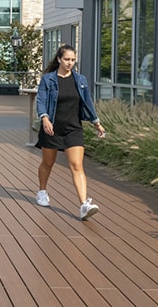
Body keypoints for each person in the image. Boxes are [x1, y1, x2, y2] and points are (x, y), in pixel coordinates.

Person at [35, 44, 106, 220]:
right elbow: (41, 100)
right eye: (66, 59)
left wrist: (96, 123)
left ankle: (83, 205)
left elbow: (87, 102)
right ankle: (42, 191)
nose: (70, 63)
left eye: (73, 60)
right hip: (52, 128)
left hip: (73, 128)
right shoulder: (48, 79)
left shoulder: (80, 80)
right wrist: (44, 118)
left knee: (77, 165)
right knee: (48, 163)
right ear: (59, 59)